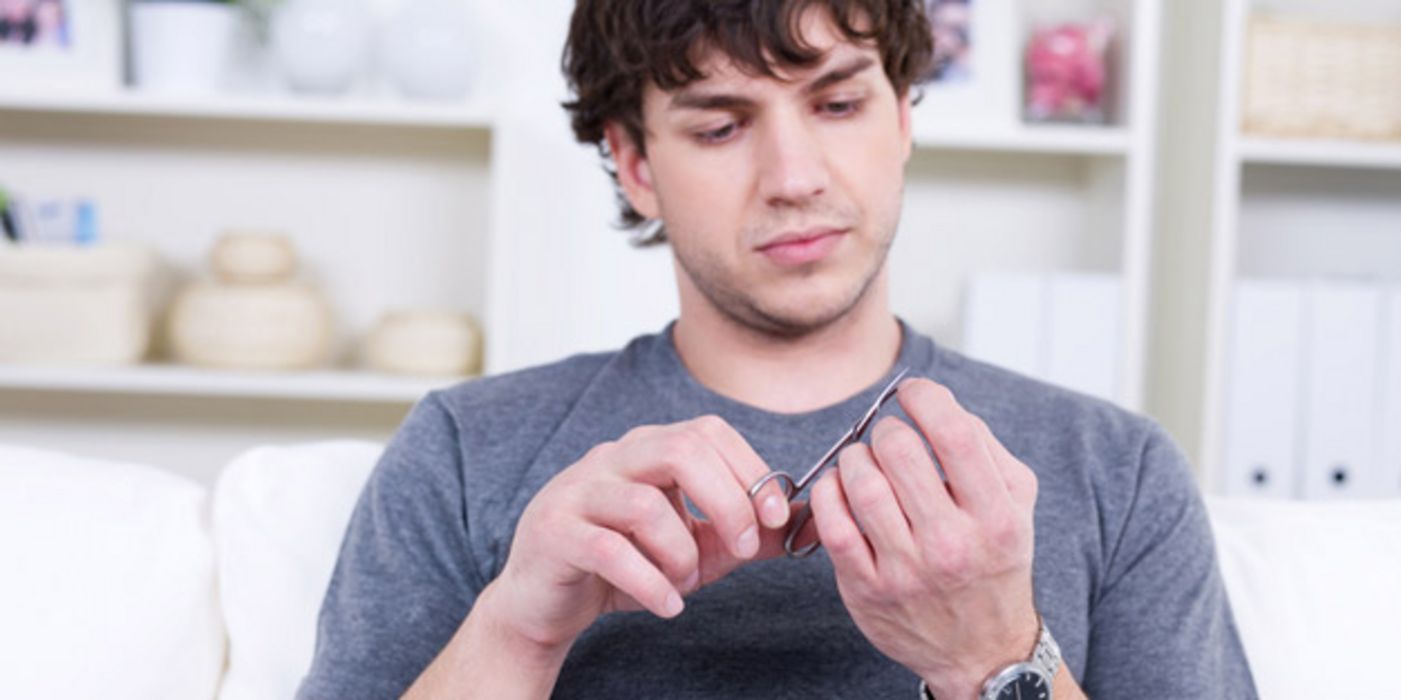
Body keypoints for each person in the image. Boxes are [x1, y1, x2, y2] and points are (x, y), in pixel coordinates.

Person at [298, 1, 1258, 698]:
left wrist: (994, 659)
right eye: (720, 126)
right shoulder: (467, 446)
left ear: (903, 118)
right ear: (635, 165)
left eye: (838, 106)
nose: (793, 178)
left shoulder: (1115, 469)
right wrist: (515, 630)